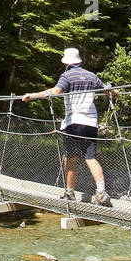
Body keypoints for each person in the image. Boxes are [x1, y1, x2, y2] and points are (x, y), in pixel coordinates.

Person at [22, 47, 114, 205]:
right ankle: (101, 192)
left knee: (70, 158)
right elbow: (108, 91)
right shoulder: (92, 76)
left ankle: (70, 192)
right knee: (90, 157)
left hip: (73, 123)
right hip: (91, 123)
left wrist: (33, 95)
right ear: (79, 61)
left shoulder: (67, 75)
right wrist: (116, 92)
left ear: (66, 62)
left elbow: (56, 91)